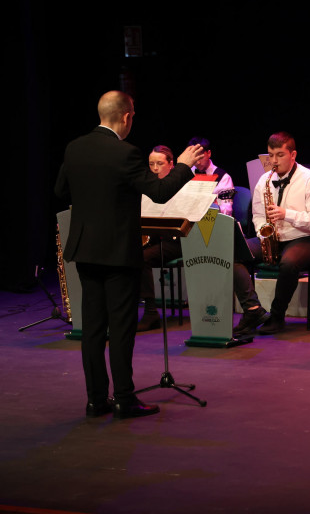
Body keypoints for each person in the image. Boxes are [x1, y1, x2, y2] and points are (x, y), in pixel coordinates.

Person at [54, 91, 204, 418]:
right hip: (119, 253)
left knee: (93, 329)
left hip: (85, 250)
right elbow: (160, 192)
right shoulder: (126, 153)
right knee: (121, 328)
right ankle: (124, 398)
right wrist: (182, 165)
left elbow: (60, 191)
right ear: (126, 117)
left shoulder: (74, 147)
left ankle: (96, 400)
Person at [240, 132, 310, 335]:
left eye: (280, 155)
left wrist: (286, 214)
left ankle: (277, 316)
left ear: (293, 154)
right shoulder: (264, 180)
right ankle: (252, 309)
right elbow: (257, 214)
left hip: (308, 239)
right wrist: (264, 235)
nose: (273, 161)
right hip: (275, 238)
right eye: (270, 155)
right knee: (238, 252)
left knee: (289, 263)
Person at [137, 145, 183, 332]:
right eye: (151, 164)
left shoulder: (181, 185)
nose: (155, 168)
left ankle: (150, 312)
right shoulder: (147, 187)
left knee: (142, 259)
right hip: (155, 239)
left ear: (171, 164)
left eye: (160, 163)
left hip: (176, 241)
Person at [187, 137, 234, 216]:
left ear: (209, 153)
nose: (198, 162)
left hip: (213, 221)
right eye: (195, 157)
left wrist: (214, 205)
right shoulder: (187, 173)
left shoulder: (224, 178)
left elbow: (227, 211)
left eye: (201, 157)